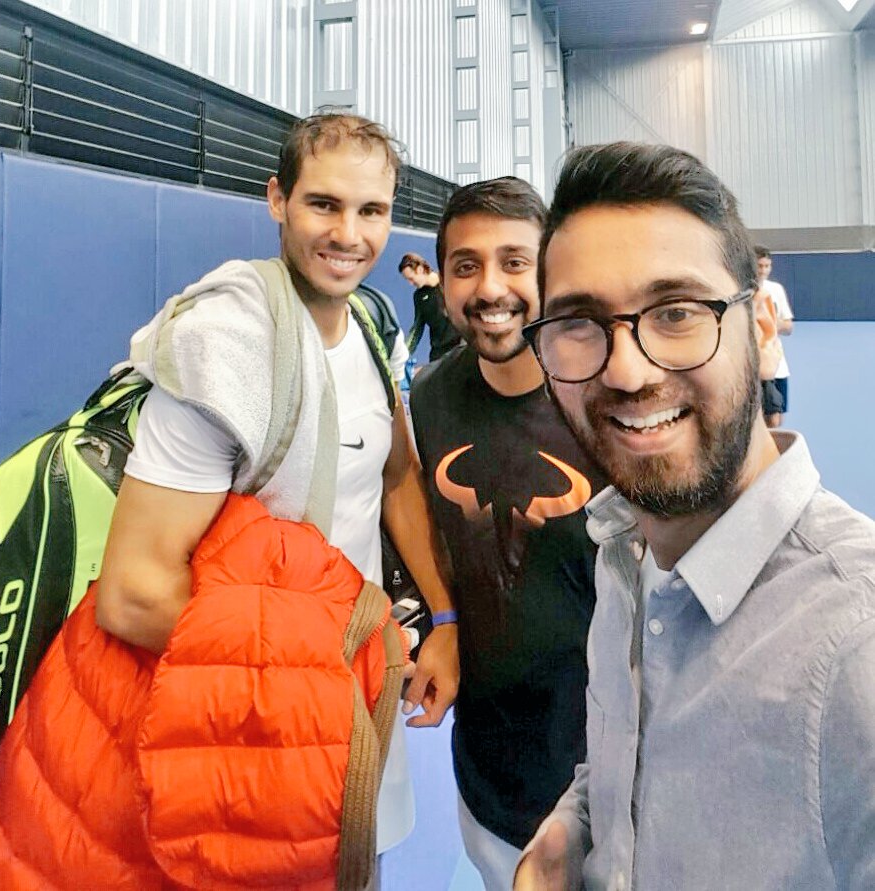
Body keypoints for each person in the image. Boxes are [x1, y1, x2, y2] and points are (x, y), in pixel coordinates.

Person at [515, 142, 875, 890]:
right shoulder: (624, 553)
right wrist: (571, 830)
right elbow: (630, 753)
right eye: (579, 322)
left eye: (676, 312)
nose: (627, 370)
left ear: (762, 328)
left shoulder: (857, 648)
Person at [96, 113, 459, 852]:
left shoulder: (370, 323)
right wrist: (322, 663)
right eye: (324, 204)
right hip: (251, 712)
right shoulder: (222, 350)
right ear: (277, 200)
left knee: (358, 860)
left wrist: (445, 621)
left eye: (372, 211)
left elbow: (397, 478)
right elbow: (132, 596)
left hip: (356, 691)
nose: (349, 234)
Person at [409, 177, 604, 890]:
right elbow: (428, 527)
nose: (490, 287)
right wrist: (444, 620)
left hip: (605, 778)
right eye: (466, 265)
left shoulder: (604, 398)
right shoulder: (430, 397)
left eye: (514, 262)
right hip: (488, 774)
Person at [755, 245, 794, 427]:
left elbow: (788, 326)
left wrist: (769, 322)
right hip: (754, 367)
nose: (763, 271)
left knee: (776, 420)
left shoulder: (776, 289)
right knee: (759, 420)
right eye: (759, 266)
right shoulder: (741, 291)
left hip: (777, 366)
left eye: (767, 266)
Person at [401, 251, 463, 362]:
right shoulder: (419, 296)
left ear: (420, 269)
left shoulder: (449, 281)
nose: (410, 283)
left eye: (411, 278)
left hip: (460, 349)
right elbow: (417, 329)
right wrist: (402, 355)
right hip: (438, 355)